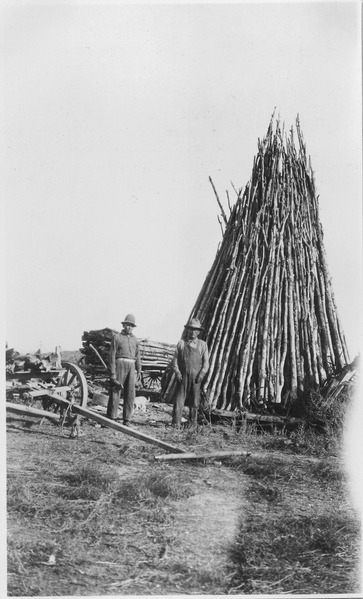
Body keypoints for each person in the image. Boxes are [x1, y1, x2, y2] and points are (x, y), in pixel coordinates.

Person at [171, 317, 209, 429]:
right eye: (191, 329)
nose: (193, 332)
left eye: (195, 330)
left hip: (196, 378)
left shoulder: (202, 345)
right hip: (182, 377)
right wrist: (177, 372)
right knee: (179, 400)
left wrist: (202, 374)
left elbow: (206, 362)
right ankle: (175, 424)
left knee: (194, 402)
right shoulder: (181, 343)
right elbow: (175, 360)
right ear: (188, 330)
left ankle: (192, 424)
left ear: (198, 332)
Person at [107, 314, 141, 427]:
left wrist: (139, 370)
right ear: (124, 325)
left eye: (131, 325)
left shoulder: (135, 340)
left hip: (131, 366)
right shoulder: (117, 337)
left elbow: (138, 356)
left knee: (130, 393)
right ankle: (112, 418)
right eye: (127, 325)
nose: (129, 327)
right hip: (119, 364)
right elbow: (111, 356)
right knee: (116, 390)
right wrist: (112, 373)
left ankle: (127, 419)